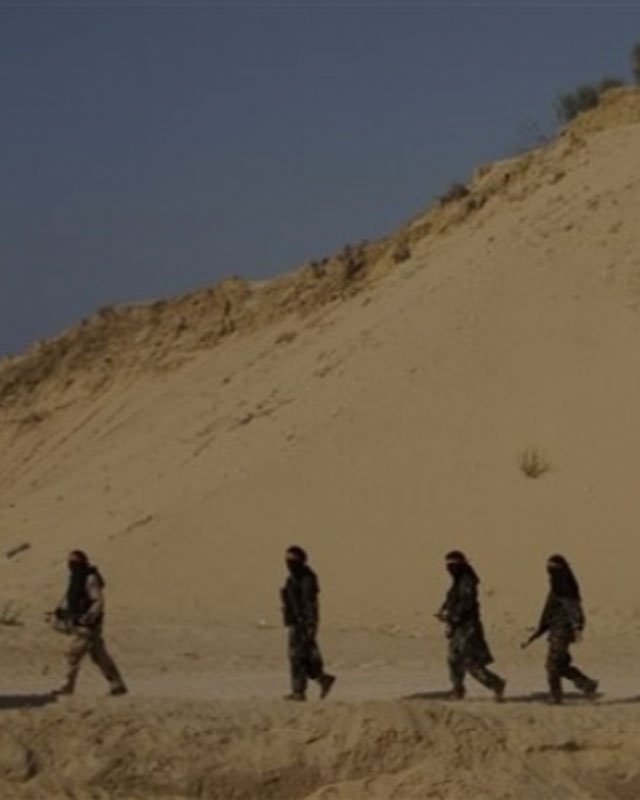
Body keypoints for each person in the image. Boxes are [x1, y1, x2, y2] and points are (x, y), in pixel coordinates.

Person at [522, 554, 598, 704]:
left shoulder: (565, 587)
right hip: (556, 629)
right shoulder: (557, 586)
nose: (550, 571)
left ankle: (556, 697)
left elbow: (574, 609)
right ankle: (587, 684)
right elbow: (550, 611)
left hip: (562, 631)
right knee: (561, 665)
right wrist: (538, 631)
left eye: (554, 568)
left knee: (552, 665)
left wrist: (577, 627)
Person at [51, 550, 127, 697]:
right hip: (81, 624)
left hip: (87, 626)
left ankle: (67, 687)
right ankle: (117, 685)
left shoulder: (89, 578)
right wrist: (62, 611)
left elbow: (97, 601)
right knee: (100, 657)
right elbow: (72, 598)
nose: (71, 565)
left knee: (72, 655)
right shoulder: (76, 578)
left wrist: (88, 618)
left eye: (74, 562)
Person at [436, 550, 506, 701]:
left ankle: (496, 683)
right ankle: (457, 690)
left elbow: (466, 603)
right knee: (454, 659)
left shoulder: (467, 581)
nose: (449, 568)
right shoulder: (458, 582)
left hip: (468, 628)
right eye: (448, 565)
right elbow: (452, 599)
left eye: (453, 565)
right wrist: (444, 611)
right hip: (458, 627)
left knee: (469, 662)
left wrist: (452, 617)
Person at [280, 546, 336, 701]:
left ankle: (300, 691)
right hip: (295, 622)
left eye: (292, 560)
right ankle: (318, 680)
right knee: (300, 656)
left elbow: (309, 602)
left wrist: (309, 624)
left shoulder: (307, 578)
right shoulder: (292, 579)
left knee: (300, 656)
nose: (289, 563)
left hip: (303, 622)